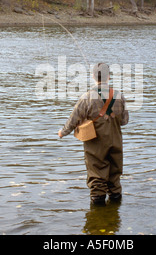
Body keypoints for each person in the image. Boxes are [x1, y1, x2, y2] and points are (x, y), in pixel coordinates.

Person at [58, 63, 129, 205]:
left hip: (95, 143)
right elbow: (124, 121)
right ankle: (115, 206)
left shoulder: (86, 97)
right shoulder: (119, 96)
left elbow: (73, 120)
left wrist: (62, 132)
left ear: (93, 76)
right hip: (115, 141)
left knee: (96, 175)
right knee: (115, 175)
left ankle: (98, 213)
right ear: (108, 76)